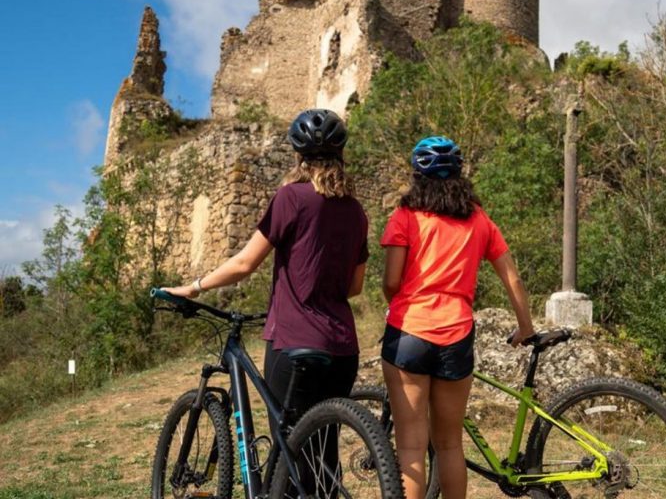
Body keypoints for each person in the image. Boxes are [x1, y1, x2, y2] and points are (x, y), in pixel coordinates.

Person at [163, 109, 369, 482]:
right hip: (343, 347)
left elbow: (245, 264)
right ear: (341, 156)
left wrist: (193, 287)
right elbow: (354, 287)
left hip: (294, 342)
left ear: (298, 157)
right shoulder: (357, 212)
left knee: (287, 452)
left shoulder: (292, 198)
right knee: (324, 452)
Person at [380, 136, 536, 499]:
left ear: (417, 176)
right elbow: (512, 277)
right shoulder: (480, 220)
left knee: (411, 449)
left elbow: (391, 280)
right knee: (450, 445)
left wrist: (398, 303)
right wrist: (526, 326)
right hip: (456, 335)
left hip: (409, 332)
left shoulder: (405, 216)